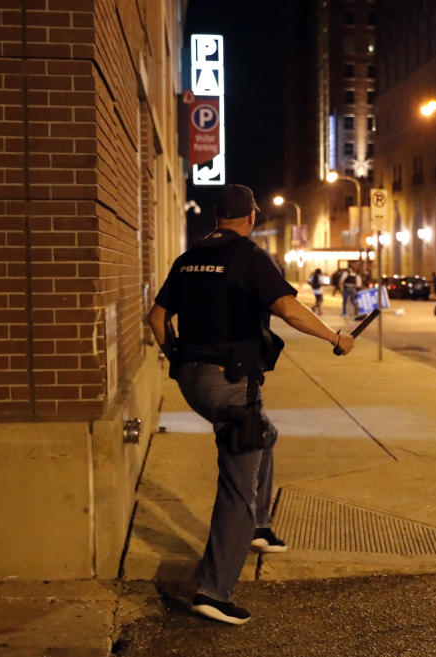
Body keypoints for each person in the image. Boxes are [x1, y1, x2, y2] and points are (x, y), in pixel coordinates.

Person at [145, 184, 355, 625]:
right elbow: (289, 309)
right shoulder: (248, 255)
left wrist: (178, 360)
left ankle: (258, 528)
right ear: (251, 218)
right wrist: (336, 338)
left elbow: (156, 318)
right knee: (237, 484)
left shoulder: (188, 259)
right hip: (232, 384)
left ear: (216, 216)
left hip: (194, 382)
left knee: (265, 436)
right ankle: (213, 590)